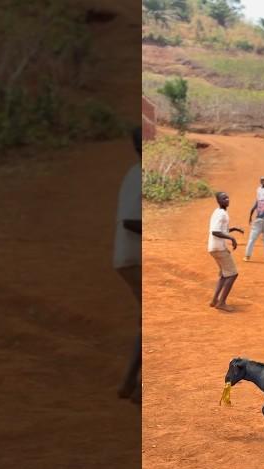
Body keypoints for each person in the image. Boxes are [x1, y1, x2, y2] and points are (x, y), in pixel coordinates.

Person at [114, 127, 143, 404]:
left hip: (129, 257)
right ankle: (135, 388)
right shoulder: (140, 175)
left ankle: (129, 385)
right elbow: (130, 221)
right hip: (134, 258)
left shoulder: (135, 172)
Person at [208, 192, 244, 312]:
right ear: (219, 201)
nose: (227, 199)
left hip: (214, 247)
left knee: (224, 274)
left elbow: (221, 229)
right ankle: (221, 302)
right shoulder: (222, 214)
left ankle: (214, 300)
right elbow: (215, 231)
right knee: (233, 274)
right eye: (224, 198)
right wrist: (232, 238)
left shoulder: (218, 212)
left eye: (227, 197)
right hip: (219, 248)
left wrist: (234, 229)